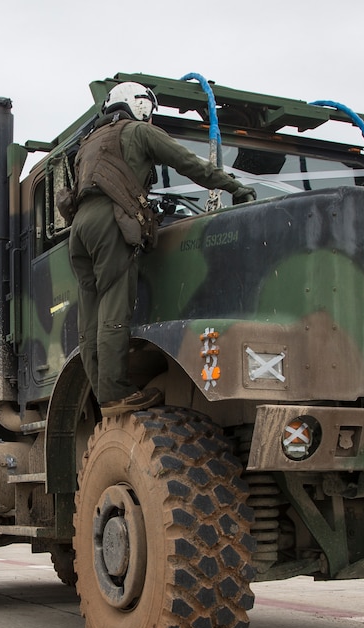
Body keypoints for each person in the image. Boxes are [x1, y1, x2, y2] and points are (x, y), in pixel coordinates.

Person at [69, 81, 256, 417]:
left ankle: (101, 393)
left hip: (79, 228)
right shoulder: (139, 132)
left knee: (90, 317)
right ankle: (114, 394)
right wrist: (234, 187)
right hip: (110, 222)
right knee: (114, 305)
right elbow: (188, 162)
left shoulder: (89, 143)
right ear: (140, 105)